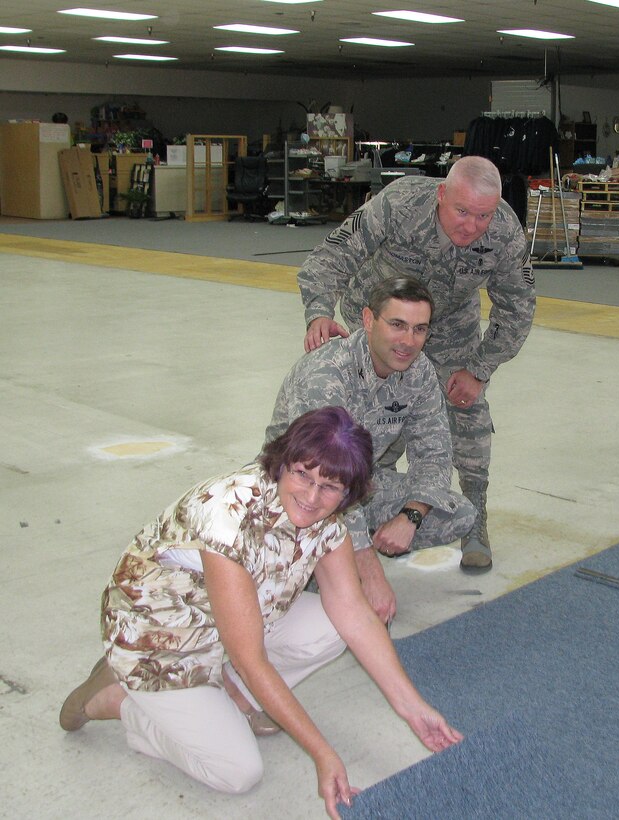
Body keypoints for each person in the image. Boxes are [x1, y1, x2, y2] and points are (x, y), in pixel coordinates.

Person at [59, 408, 462, 820]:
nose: (311, 496)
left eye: (330, 486)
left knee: (333, 627)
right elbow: (252, 660)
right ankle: (119, 699)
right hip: (160, 639)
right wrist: (322, 754)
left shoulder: (326, 520)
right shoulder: (229, 517)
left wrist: (414, 708)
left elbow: (355, 613)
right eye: (303, 475)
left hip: (228, 624)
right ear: (282, 463)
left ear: (348, 493)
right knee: (236, 772)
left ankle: (227, 694)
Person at [297, 155, 535, 572]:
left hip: (450, 330)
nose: (471, 226)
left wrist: (479, 369)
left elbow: (518, 308)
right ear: (442, 193)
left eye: (483, 216)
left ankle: (475, 521)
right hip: (380, 321)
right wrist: (319, 312)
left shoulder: (504, 232)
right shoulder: (401, 204)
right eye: (462, 211)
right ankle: (353, 516)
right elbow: (332, 255)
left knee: (469, 416)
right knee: (363, 425)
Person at [267, 276, 477, 622]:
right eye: (397, 325)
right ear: (368, 320)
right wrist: (369, 570)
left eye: (419, 329)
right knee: (313, 559)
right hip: (296, 493)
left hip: (356, 487)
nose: (409, 342)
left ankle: (332, 564)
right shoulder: (327, 373)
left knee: (456, 513)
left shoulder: (418, 371)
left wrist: (410, 516)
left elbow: (435, 453)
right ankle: (320, 568)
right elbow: (325, 479)